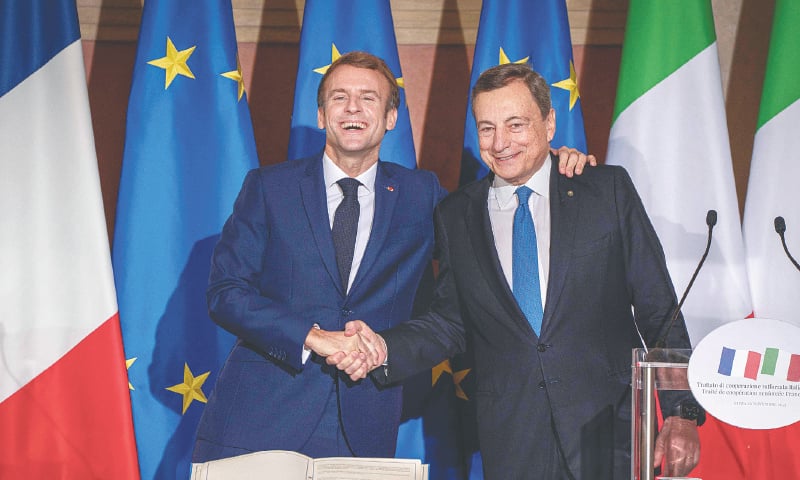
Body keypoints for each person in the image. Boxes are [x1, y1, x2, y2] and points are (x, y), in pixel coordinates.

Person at [192, 52, 595, 462]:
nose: (352, 107)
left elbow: (493, 230)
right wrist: (314, 338)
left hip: (363, 424)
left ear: (390, 118)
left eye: (368, 98)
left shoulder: (422, 194)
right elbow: (226, 293)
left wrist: (548, 163)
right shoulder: (268, 188)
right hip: (257, 421)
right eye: (339, 97)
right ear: (320, 114)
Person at [328, 63, 703, 479]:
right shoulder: (456, 215)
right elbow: (450, 324)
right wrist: (382, 347)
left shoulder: (606, 191)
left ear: (549, 122)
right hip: (511, 438)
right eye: (486, 128)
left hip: (609, 427)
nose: (501, 143)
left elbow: (659, 310)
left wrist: (681, 410)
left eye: (516, 124)